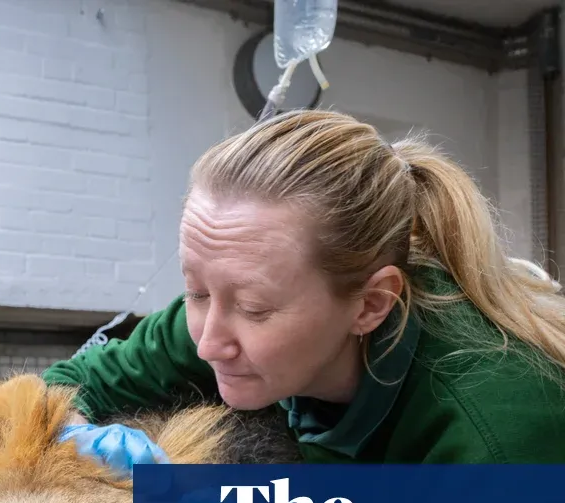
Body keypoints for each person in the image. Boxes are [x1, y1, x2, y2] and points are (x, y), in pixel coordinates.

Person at [52, 109, 565, 466]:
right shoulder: (221, 314)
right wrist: (71, 429)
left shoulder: (496, 435)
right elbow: (64, 384)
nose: (208, 344)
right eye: (196, 291)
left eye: (255, 309)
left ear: (371, 305)